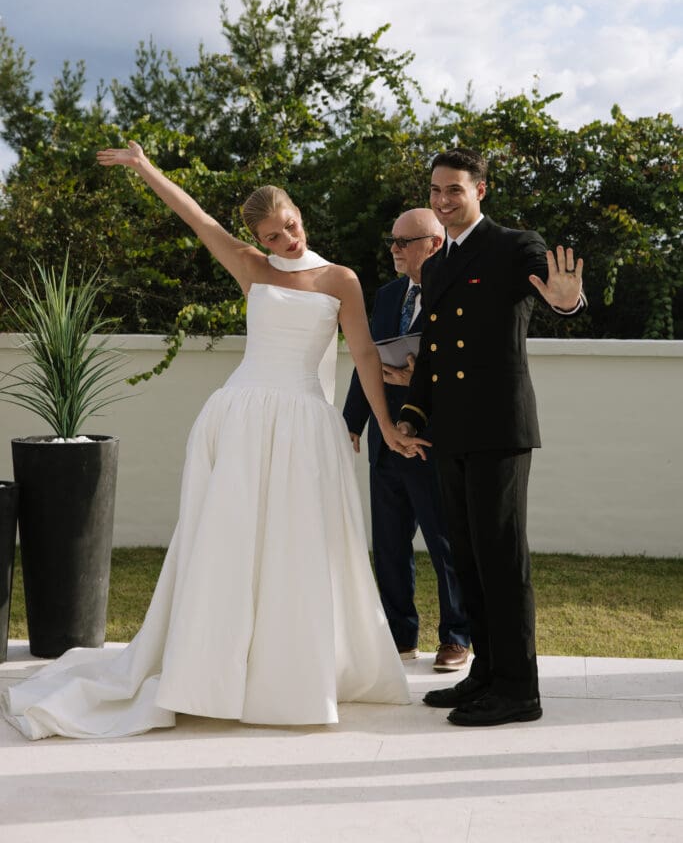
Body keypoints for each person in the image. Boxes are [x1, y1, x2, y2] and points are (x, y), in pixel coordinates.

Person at [1, 140, 428, 740]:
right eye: (274, 237)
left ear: (298, 212)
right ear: (258, 238)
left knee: (300, 546)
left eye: (290, 227)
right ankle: (212, 673)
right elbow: (195, 216)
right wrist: (146, 168)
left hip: (306, 421)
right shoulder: (252, 267)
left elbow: (362, 356)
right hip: (243, 415)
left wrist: (384, 425)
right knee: (229, 543)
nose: (287, 242)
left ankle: (291, 676)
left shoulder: (342, 279)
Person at [397, 147, 586, 728]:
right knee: (467, 558)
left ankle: (518, 688)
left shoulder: (512, 245)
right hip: (452, 431)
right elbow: (432, 349)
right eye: (435, 190)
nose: (442, 200)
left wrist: (566, 299)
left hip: (498, 427)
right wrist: (413, 414)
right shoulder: (437, 262)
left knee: (502, 559)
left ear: (482, 190)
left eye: (454, 189)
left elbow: (557, 292)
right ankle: (486, 672)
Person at [343, 208, 470, 671]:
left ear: (434, 244)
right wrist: (352, 422)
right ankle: (399, 637)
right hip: (384, 439)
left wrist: (422, 381)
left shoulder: (455, 295)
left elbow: (467, 368)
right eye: (392, 241)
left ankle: (457, 635)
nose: (394, 249)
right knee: (390, 545)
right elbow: (366, 361)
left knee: (445, 541)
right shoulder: (387, 295)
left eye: (404, 241)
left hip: (433, 440)